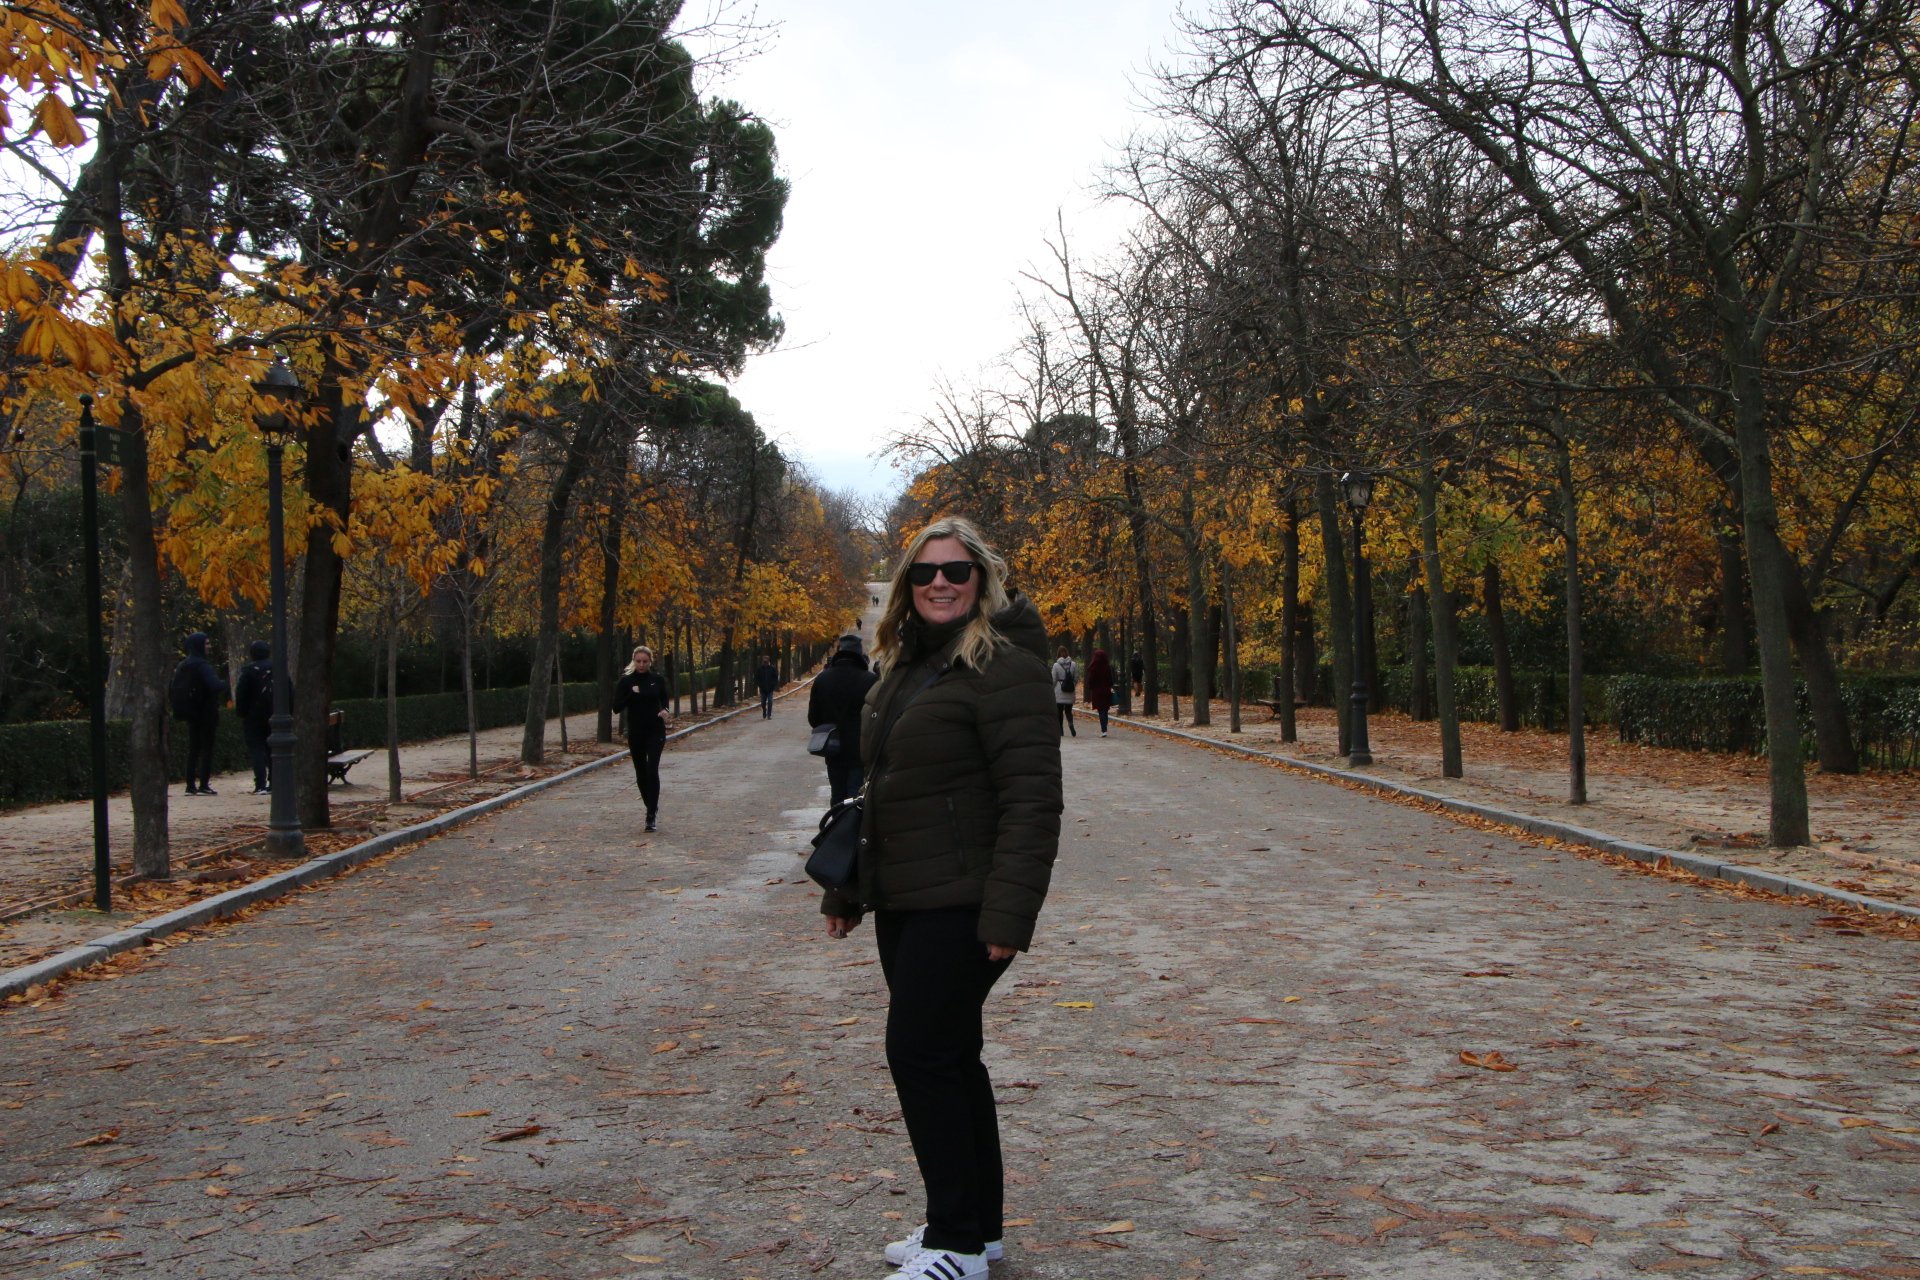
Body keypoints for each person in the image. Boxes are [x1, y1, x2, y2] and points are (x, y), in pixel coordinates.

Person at [822, 516, 1062, 1280]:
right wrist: (849, 888)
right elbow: (882, 786)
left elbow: (1032, 801)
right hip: (908, 897)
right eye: (925, 572)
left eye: (957, 570)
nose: (940, 583)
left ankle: (954, 1244)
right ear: (907, 584)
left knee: (920, 1053)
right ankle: (975, 1230)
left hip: (964, 901)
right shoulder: (908, 662)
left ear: (981, 579)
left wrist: (1009, 914)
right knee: (953, 1056)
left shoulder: (1007, 667)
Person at [808, 633, 878, 805]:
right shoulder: (870, 680)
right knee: (856, 795)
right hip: (860, 749)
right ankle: (851, 822)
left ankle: (838, 821)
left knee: (837, 794)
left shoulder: (823, 679)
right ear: (859, 655)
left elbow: (813, 718)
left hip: (833, 748)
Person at [611, 644, 671, 832]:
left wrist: (665, 710)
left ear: (650, 661)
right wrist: (631, 694)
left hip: (655, 730)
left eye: (645, 661)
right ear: (634, 661)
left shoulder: (657, 680)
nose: (642, 665)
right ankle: (650, 805)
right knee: (641, 772)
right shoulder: (626, 681)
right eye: (638, 661)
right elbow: (616, 707)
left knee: (652, 770)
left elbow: (664, 700)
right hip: (636, 731)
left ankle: (651, 815)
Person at [171, 632, 228, 796]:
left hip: (191, 712)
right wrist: (224, 683)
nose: (209, 647)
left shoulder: (182, 665)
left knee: (193, 749)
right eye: (206, 644)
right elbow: (214, 685)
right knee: (207, 749)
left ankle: (190, 785)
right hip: (206, 712)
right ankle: (203, 784)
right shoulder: (203, 665)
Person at [233, 640, 277, 794]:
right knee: (273, 749)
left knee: (257, 749)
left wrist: (242, 713)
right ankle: (274, 782)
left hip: (254, 715)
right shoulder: (277, 669)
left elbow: (241, 694)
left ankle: (260, 784)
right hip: (274, 713)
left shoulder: (249, 671)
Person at [1085, 648, 1115, 737]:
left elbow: (1091, 680)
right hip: (1106, 691)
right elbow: (1111, 680)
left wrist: (1091, 687)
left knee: (1100, 710)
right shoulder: (1107, 667)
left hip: (1097, 692)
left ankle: (1103, 729)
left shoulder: (1093, 667)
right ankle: (1105, 727)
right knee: (1105, 710)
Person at [1050, 645, 1077, 738]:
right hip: (1070, 691)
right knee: (1068, 711)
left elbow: (1054, 679)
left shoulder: (1056, 665)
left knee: (1059, 712)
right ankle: (1071, 724)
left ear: (1058, 654)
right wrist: (1072, 685)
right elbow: (1076, 678)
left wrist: (1052, 688)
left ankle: (1061, 730)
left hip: (1059, 690)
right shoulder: (1073, 664)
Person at [754, 653, 780, 719]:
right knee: (763, 702)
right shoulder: (760, 669)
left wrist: (773, 685)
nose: (765, 662)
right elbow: (756, 677)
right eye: (764, 661)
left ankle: (769, 715)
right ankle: (764, 711)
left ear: (768, 661)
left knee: (770, 701)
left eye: (766, 661)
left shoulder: (772, 668)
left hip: (770, 688)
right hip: (763, 689)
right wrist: (759, 684)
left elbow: (775, 677)